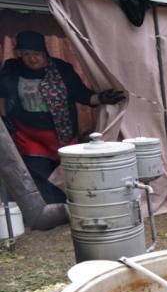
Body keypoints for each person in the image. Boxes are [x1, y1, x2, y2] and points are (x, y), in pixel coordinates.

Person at [0, 30, 126, 204]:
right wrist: (5, 119)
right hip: (29, 134)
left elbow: (81, 95)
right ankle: (53, 211)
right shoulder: (13, 70)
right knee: (40, 174)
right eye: (26, 54)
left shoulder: (61, 69)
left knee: (67, 173)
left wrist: (103, 98)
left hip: (62, 133)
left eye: (36, 53)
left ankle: (73, 205)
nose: (32, 59)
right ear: (20, 54)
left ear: (45, 52)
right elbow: (3, 95)